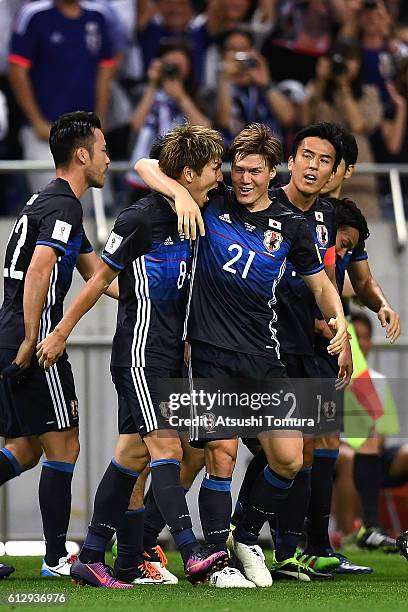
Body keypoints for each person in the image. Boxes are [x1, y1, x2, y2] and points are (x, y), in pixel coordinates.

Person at [132, 122, 349, 588]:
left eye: (254, 171)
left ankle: (244, 534)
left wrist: (342, 326)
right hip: (210, 352)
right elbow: (145, 165)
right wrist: (181, 194)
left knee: (289, 458)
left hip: (263, 357)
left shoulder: (291, 226)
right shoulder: (215, 202)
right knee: (220, 455)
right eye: (237, 170)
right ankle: (212, 559)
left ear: (273, 172)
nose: (243, 179)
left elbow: (322, 288)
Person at [37, 124, 228, 588]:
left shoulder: (199, 208)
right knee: (166, 446)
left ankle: (94, 555)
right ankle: (191, 551)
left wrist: (181, 193)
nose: (220, 178)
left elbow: (152, 167)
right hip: (140, 351)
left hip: (168, 354)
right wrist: (61, 331)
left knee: (131, 456)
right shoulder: (140, 218)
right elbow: (99, 279)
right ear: (188, 173)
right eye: (215, 168)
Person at [0, 111, 116, 577]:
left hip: (12, 331)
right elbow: (39, 268)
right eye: (104, 150)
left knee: (27, 449)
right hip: (34, 338)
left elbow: (100, 277)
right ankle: (54, 559)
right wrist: (36, 337)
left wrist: (157, 296)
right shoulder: (64, 206)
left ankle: (53, 554)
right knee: (64, 446)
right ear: (82, 155)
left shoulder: (48, 202)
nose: (109, 160)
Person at [301, 126, 400, 574]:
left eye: (328, 161)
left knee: (326, 440)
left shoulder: (344, 222)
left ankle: (314, 543)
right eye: (312, 158)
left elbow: (358, 278)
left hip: (326, 342)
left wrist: (379, 304)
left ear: (345, 169)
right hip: (281, 339)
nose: (319, 168)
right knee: (211, 449)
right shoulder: (291, 209)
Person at [8, 0, 117, 192]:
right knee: (50, 200)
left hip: (87, 134)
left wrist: (100, 119)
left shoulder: (97, 16)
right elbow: (17, 70)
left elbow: (105, 69)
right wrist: (36, 121)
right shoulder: (33, 15)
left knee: (91, 209)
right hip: (46, 133)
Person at [333, 312, 399, 552]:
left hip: (371, 452)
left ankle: (376, 529)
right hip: (338, 450)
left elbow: (383, 431)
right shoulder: (332, 376)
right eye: (354, 337)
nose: (359, 343)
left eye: (364, 337)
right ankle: (348, 534)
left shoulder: (377, 381)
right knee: (349, 457)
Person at [303, 41, 383, 219]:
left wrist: (344, 88)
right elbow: (304, 121)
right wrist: (320, 82)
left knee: (362, 231)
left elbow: (359, 125)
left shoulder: (369, 93)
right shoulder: (317, 91)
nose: (346, 64)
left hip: (360, 178)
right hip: (321, 175)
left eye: (352, 59)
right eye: (341, 59)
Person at [127, 41, 211, 199]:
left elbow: (206, 130)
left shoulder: (197, 95)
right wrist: (152, 84)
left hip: (181, 178)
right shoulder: (147, 93)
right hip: (144, 177)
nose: (173, 69)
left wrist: (181, 97)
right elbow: (136, 125)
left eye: (178, 65)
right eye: (169, 64)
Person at [213, 28, 295, 145]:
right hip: (231, 157)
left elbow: (288, 119)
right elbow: (224, 121)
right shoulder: (215, 89)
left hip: (270, 156)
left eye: (244, 49)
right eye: (232, 50)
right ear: (222, 55)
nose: (239, 56)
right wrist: (225, 79)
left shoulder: (266, 86)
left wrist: (265, 83)